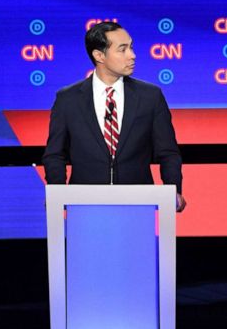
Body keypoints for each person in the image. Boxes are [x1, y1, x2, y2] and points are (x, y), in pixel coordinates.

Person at [42, 21, 185, 211]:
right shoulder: (68, 99)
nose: (132, 55)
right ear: (99, 55)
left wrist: (172, 190)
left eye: (131, 47)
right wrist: (57, 193)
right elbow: (55, 155)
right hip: (85, 207)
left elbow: (168, 153)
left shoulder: (150, 96)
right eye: (122, 50)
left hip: (137, 206)